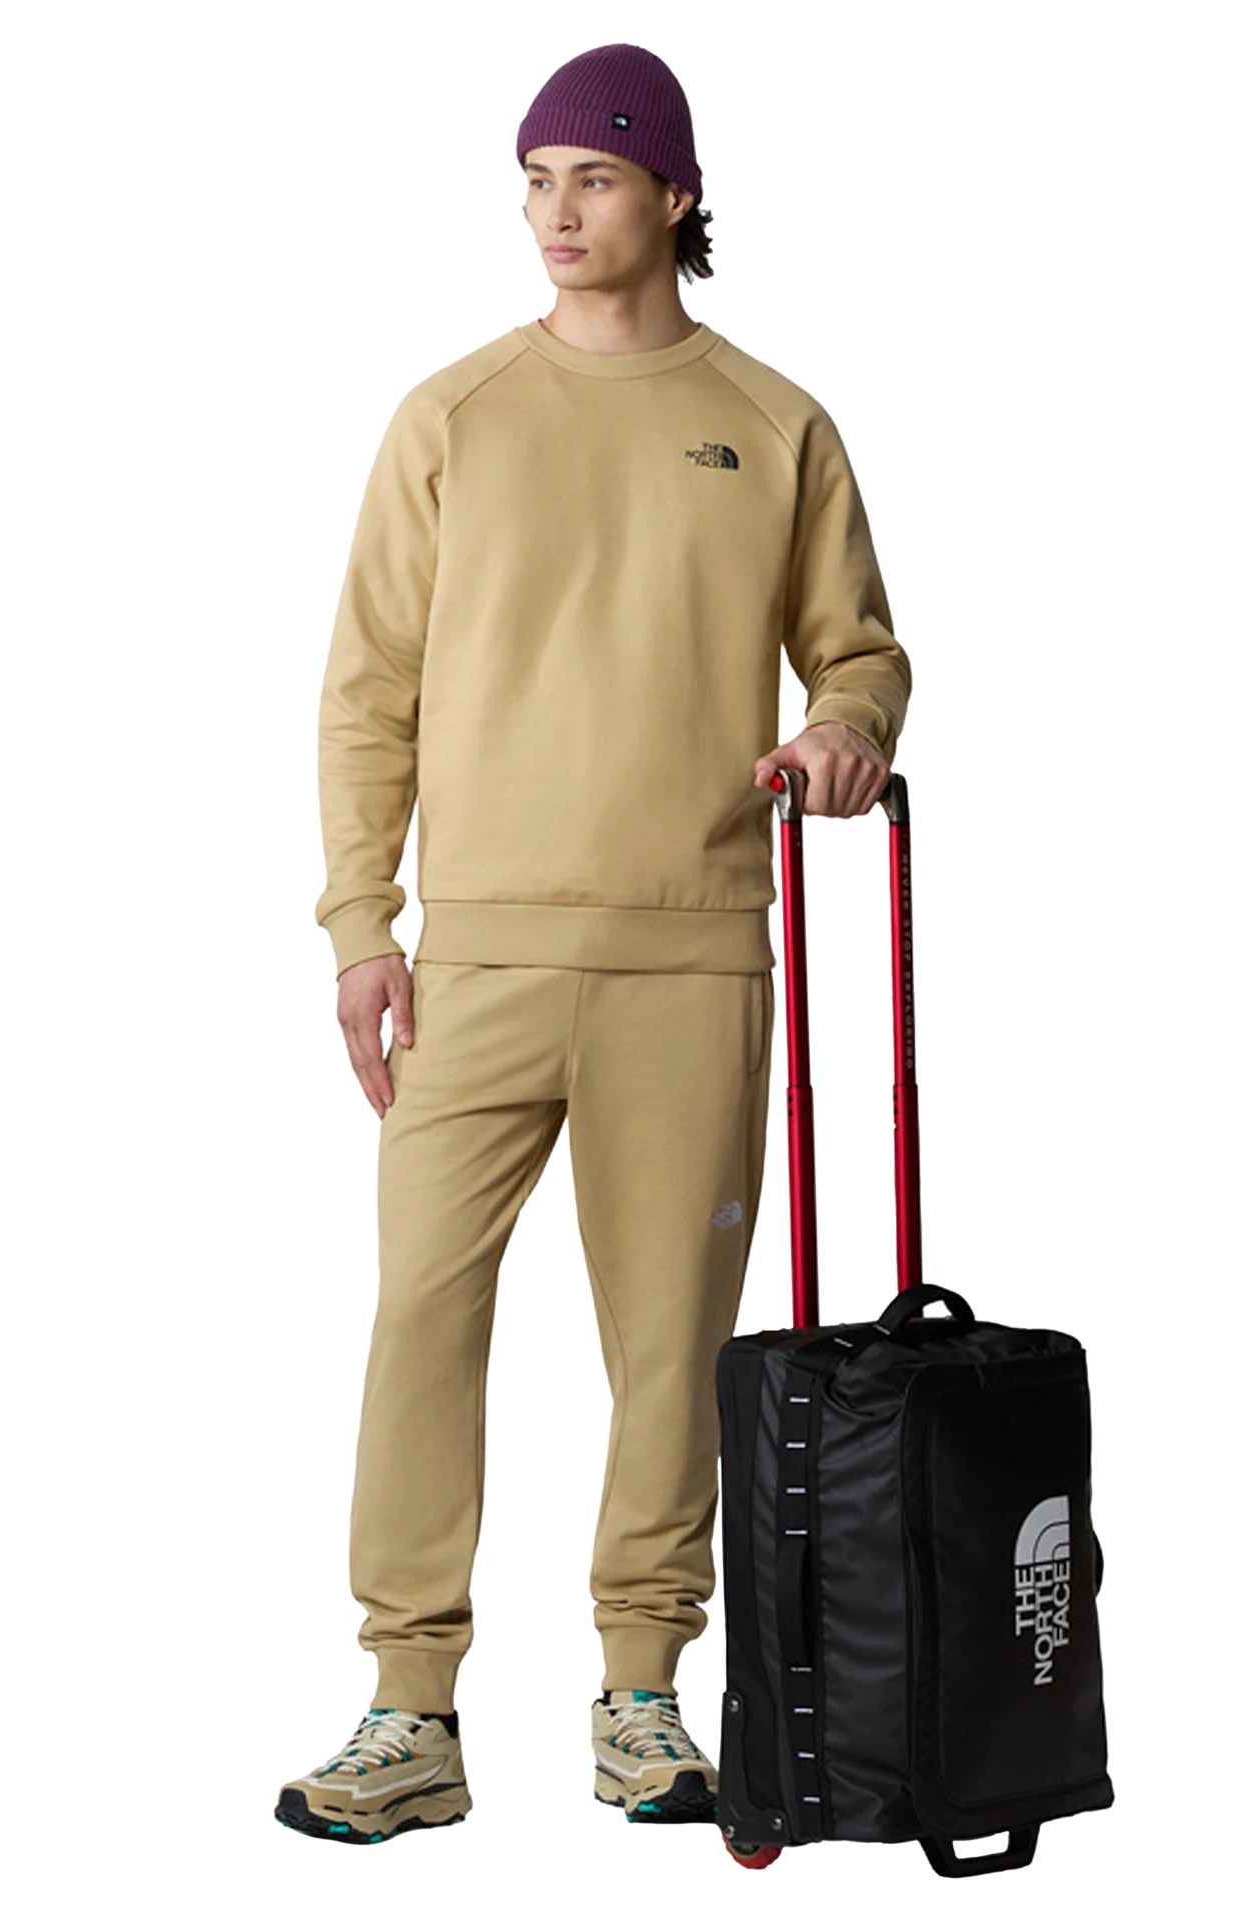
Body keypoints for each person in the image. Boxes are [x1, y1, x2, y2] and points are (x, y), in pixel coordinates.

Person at [277, 42, 912, 1844]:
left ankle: (642, 1691)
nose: (557, 214)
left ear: (673, 197)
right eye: (537, 181)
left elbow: (859, 650)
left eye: (596, 180)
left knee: (674, 1337)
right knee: (420, 1314)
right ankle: (408, 1707)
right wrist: (361, 927)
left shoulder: (775, 424)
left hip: (693, 953)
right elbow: (366, 696)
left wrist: (845, 729)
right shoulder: (450, 416)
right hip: (471, 957)